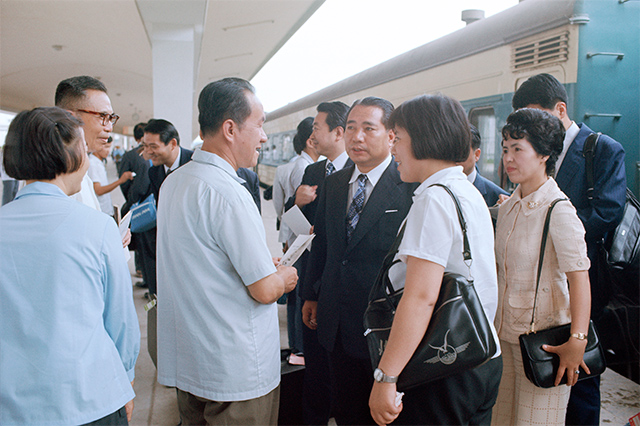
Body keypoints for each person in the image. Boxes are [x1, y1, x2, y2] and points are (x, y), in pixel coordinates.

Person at [156, 77, 298, 425]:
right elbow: (264, 289)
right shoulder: (228, 192)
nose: (264, 136)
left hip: (189, 361)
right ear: (231, 129)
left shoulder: (174, 182)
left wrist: (264, 266)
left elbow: (205, 261)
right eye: (260, 124)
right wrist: (282, 277)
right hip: (234, 373)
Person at [0, 107, 139, 425]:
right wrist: (125, 380)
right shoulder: (98, 227)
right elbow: (120, 324)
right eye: (83, 149)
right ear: (69, 155)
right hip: (89, 400)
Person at [368, 94, 502, 426]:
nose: (393, 149)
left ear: (425, 138)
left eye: (397, 138)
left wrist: (386, 377)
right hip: (481, 355)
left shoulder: (434, 199)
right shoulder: (466, 191)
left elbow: (421, 298)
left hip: (444, 366)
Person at [512, 73, 626, 425]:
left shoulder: (602, 148)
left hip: (582, 278)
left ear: (560, 109)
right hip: (535, 283)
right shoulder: (528, 152)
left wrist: (553, 233)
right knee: (541, 370)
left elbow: (608, 210)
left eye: (537, 118)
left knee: (580, 375)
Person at [303, 97, 416, 425]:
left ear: (391, 135)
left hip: (385, 329)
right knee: (346, 409)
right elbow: (322, 242)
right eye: (351, 128)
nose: (357, 137)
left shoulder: (408, 186)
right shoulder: (335, 182)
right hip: (335, 321)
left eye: (369, 128)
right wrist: (312, 293)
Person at [491, 108, 591, 426]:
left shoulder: (558, 210)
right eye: (506, 149)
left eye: (518, 149)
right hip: (503, 338)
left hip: (544, 345)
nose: (509, 158)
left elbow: (579, 279)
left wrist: (577, 340)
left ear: (544, 154)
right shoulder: (509, 207)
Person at [285, 101, 352, 425]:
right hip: (312, 275)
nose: (311, 135)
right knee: (315, 362)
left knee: (340, 363)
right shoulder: (313, 171)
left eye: (316, 127)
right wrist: (295, 202)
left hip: (341, 284)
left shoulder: (356, 170)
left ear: (337, 132)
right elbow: (291, 215)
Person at [139, 118, 193, 367]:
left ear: (172, 144)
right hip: (164, 251)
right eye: (145, 146)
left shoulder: (195, 163)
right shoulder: (153, 171)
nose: (147, 152)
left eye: (152, 146)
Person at [273, 116, 319, 356]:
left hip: (294, 236)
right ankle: (299, 348)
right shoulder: (305, 168)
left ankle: (296, 345)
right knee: (300, 293)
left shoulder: (289, 167)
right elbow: (293, 209)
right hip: (303, 239)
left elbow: (279, 208)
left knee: (295, 294)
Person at [55, 76, 118, 211]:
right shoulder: (53, 175)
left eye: (111, 118)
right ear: (70, 118)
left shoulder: (80, 166)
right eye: (102, 116)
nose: (109, 127)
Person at [458, 124, 509, 206]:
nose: (454, 158)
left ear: (476, 155)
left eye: (462, 152)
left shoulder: (498, 197)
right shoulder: (436, 190)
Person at [88, 139, 133, 216]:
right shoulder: (93, 164)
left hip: (105, 210)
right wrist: (120, 181)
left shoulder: (99, 162)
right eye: (105, 147)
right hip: (101, 212)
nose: (108, 151)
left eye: (109, 147)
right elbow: (98, 190)